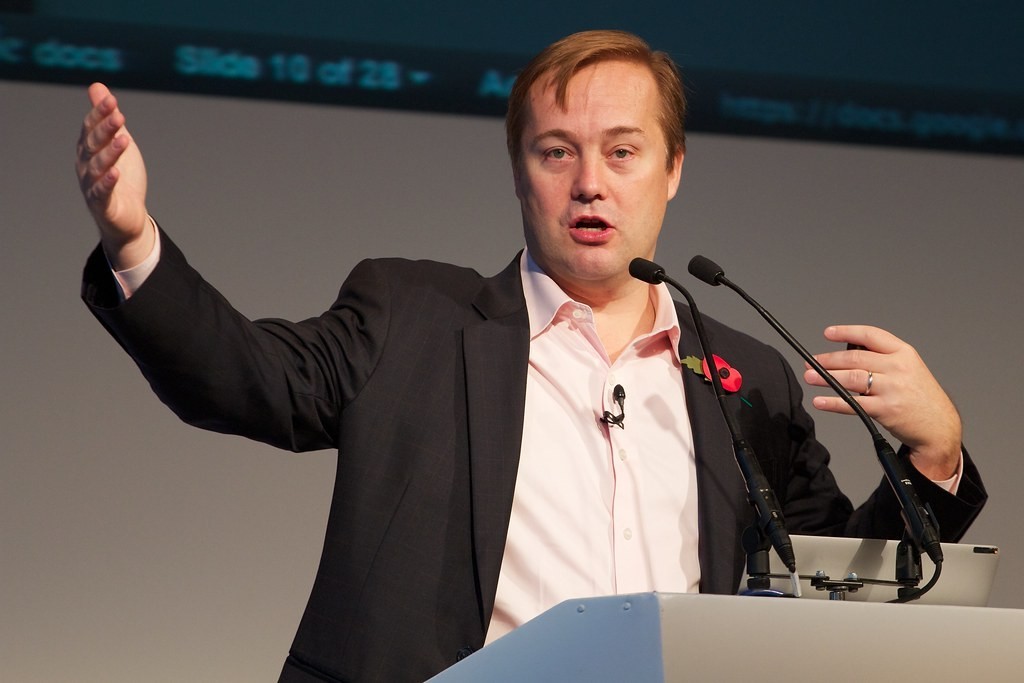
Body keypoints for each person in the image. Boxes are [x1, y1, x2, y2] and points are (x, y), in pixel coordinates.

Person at [76, 30, 985, 683]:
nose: (590, 183)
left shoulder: (746, 380)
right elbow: (246, 378)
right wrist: (132, 241)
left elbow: (827, 591)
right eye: (558, 152)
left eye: (622, 152)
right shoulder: (412, 319)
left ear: (673, 169)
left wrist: (935, 454)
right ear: (519, 169)